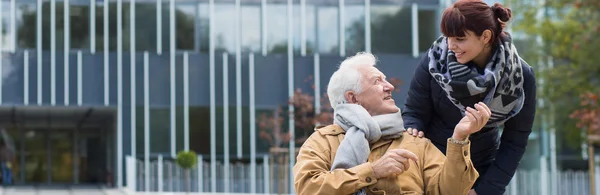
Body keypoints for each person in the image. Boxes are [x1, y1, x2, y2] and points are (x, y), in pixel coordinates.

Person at [293, 52, 492, 195]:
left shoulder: (416, 142)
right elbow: (308, 188)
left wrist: (459, 138)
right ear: (353, 97)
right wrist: (373, 171)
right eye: (377, 81)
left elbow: (451, 191)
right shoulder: (322, 141)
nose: (389, 87)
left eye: (386, 80)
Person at [402, 1, 537, 195]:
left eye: (459, 38)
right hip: (429, 166)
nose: (451, 45)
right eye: (448, 37)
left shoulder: (520, 76)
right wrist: (412, 131)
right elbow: (414, 112)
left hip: (478, 170)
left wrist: (484, 191)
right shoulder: (434, 61)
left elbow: (515, 141)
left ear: (485, 36)